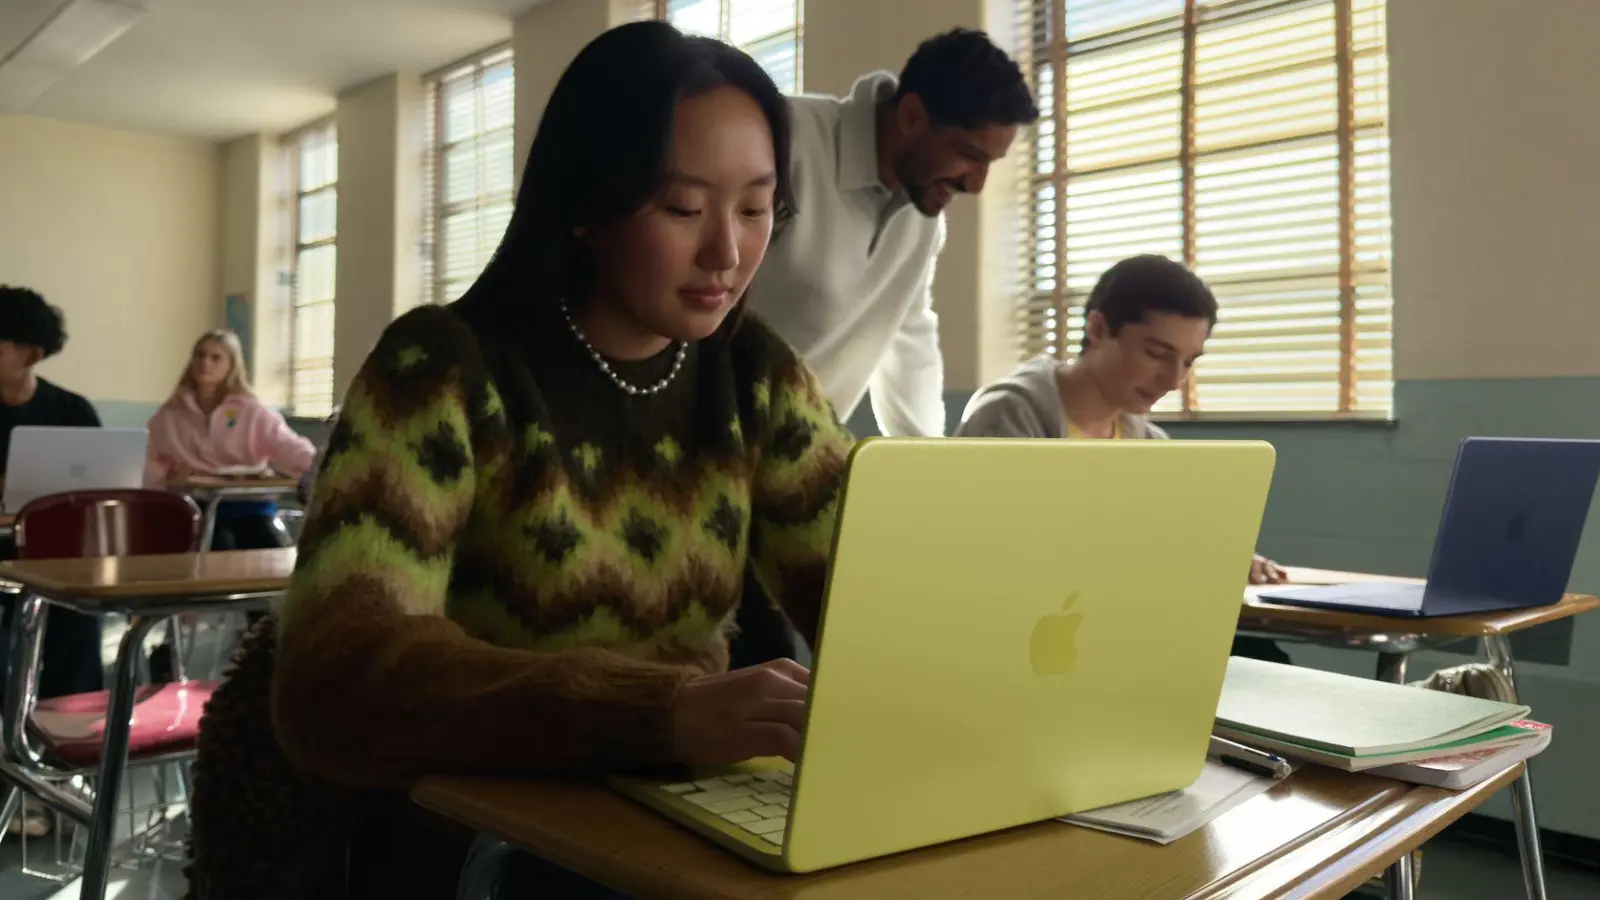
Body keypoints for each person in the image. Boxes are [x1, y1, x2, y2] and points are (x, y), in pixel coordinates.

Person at [184, 21, 851, 900]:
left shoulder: (752, 374)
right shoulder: (442, 371)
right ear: (585, 204)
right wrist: (657, 713)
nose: (727, 252)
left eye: (758, 208)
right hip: (473, 836)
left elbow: (862, 588)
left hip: (674, 809)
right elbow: (339, 678)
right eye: (684, 208)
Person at [729, 27, 1037, 669]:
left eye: (991, 162)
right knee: (747, 661)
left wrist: (929, 464)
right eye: (967, 153)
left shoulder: (923, 215)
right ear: (913, 115)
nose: (978, 182)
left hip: (795, 465)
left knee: (823, 652)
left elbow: (909, 330)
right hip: (710, 450)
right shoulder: (786, 140)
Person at [954, 256, 1290, 659]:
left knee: (1262, 660)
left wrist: (1224, 553)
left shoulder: (1148, 441)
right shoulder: (1010, 413)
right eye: (1156, 353)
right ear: (1097, 328)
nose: (1173, 381)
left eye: (1188, 362)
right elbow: (1008, 558)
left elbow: (1167, 538)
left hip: (1110, 629)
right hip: (1028, 639)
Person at [0, 285, 103, 837]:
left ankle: (63, 768)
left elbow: (99, 495)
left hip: (52, 560)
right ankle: (11, 769)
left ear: (31, 353)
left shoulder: (71, 412)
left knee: (79, 624)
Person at [144, 329, 316, 549]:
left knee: (274, 546)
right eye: (200, 355)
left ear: (231, 366)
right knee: (219, 544)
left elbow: (288, 447)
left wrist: (321, 467)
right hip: (195, 507)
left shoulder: (253, 412)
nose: (205, 363)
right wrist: (169, 477)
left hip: (249, 507)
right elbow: (150, 462)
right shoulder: (169, 415)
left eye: (216, 357)